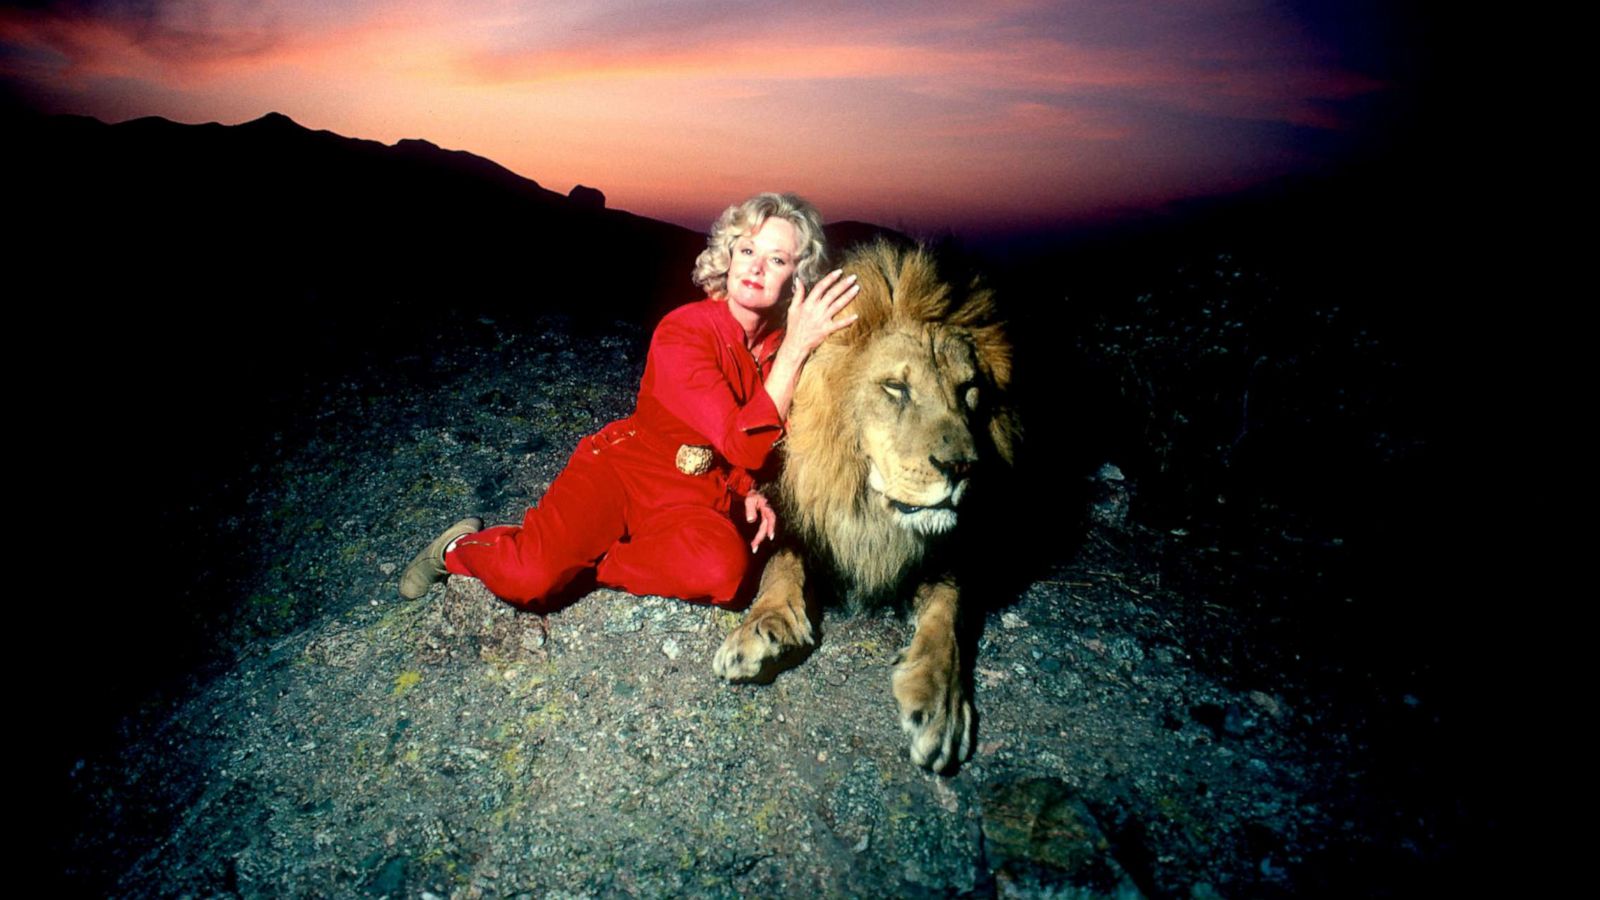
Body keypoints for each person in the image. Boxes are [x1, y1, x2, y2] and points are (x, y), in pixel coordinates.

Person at [399, 192, 859, 609]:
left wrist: (747, 489)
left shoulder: (781, 346)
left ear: (799, 278)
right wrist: (799, 349)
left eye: (776, 259)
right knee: (531, 578)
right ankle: (456, 548)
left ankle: (584, 566)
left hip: (696, 493)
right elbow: (741, 440)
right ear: (728, 256)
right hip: (623, 470)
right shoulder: (683, 332)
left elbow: (743, 451)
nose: (755, 268)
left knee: (725, 572)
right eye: (746, 251)